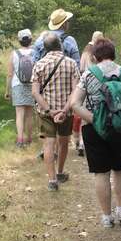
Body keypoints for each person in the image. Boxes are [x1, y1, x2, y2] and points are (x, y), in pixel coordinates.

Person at [71, 38, 121, 228]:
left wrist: (94, 119)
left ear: (95, 57)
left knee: (101, 173)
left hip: (95, 130)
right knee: (120, 168)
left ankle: (106, 217)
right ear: (113, 54)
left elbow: (74, 104)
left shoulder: (88, 75)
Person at [31, 33, 80, 191]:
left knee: (48, 144)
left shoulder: (39, 65)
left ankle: (52, 181)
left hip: (46, 113)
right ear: (60, 45)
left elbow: (35, 93)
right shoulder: (71, 63)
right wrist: (65, 110)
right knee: (64, 142)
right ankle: (60, 172)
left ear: (45, 48)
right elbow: (76, 91)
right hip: (66, 112)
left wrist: (49, 110)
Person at [32, 9, 80, 159]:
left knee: (45, 115)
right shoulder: (70, 41)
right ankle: (59, 148)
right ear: (64, 24)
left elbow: (35, 63)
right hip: (66, 85)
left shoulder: (41, 40)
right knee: (63, 117)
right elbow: (77, 66)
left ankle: (48, 146)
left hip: (45, 86)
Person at [72, 31, 105, 156]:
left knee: (84, 114)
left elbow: (80, 67)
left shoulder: (86, 50)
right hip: (100, 85)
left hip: (86, 84)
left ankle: (81, 143)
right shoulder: (103, 51)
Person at [5, 29, 34, 148]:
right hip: (32, 85)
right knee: (30, 114)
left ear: (19, 41)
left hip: (18, 85)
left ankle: (20, 140)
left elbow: (10, 74)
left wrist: (7, 91)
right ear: (31, 39)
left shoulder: (14, 54)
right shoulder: (35, 53)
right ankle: (29, 139)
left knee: (19, 114)